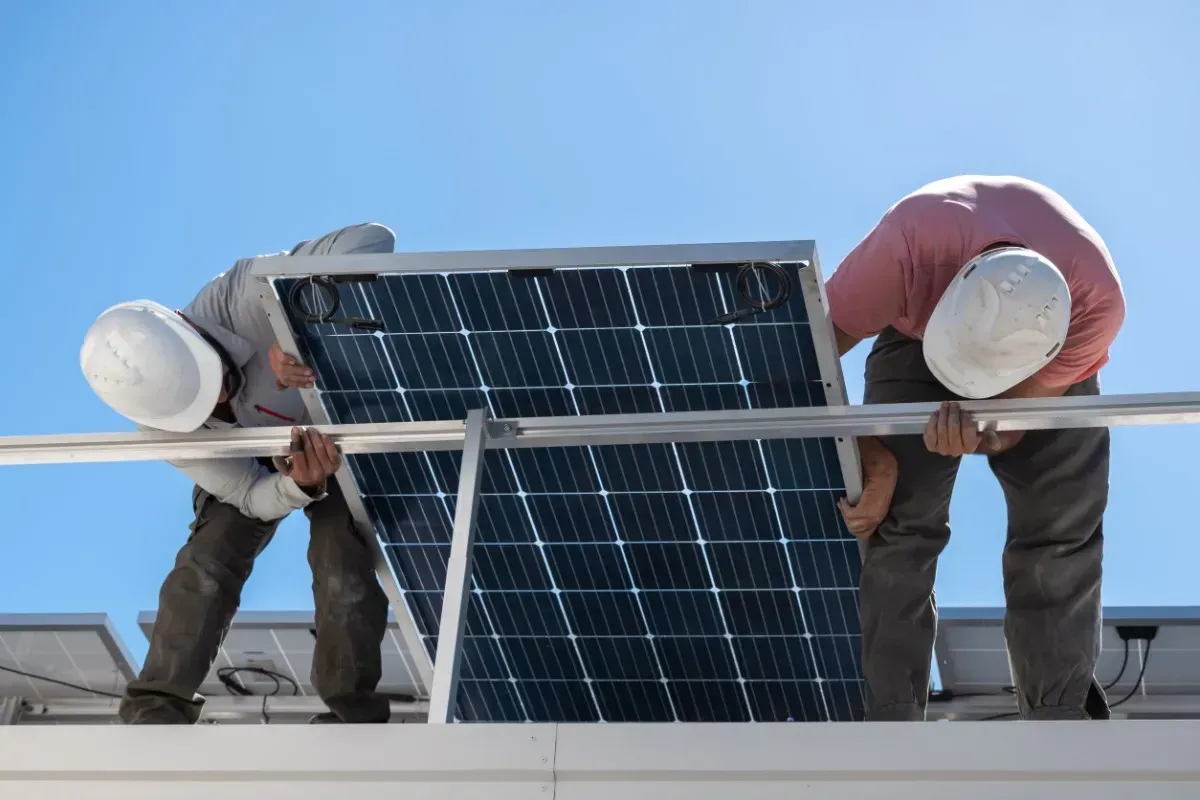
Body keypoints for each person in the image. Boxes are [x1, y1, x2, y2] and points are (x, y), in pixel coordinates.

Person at [829, 175, 1126, 721]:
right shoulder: (907, 248)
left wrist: (985, 434)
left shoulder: (1094, 308)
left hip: (1043, 371)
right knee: (898, 521)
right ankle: (889, 716)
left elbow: (1012, 431)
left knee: (1060, 519)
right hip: (917, 337)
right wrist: (872, 453)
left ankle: (1059, 714)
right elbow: (803, 358)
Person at [80, 223, 397, 724]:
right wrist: (298, 485)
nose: (224, 399)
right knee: (208, 558)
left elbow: (375, 240)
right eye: (205, 404)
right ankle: (158, 708)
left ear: (191, 332)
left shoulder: (241, 296)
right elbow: (249, 495)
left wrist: (298, 324)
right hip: (259, 468)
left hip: (338, 439)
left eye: (220, 380)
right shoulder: (161, 424)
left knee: (341, 550)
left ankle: (351, 710)